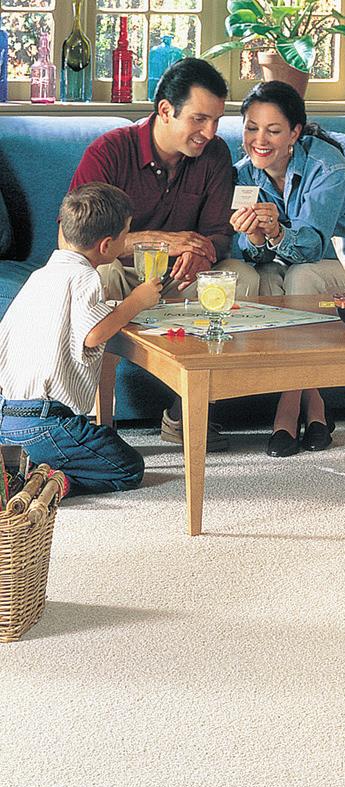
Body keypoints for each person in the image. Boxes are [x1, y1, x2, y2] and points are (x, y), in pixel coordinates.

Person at [68, 57, 258, 452]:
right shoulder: (109, 152)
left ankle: (182, 415)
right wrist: (157, 241)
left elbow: (219, 233)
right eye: (199, 119)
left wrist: (204, 255)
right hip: (120, 274)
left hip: (181, 278)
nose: (210, 132)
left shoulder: (215, 155)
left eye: (216, 120)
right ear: (166, 110)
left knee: (240, 278)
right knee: (98, 278)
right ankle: (102, 424)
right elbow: (73, 242)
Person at [230, 81, 345, 458]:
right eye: (251, 128)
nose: (259, 140)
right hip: (288, 263)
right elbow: (253, 256)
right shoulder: (243, 174)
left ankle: (287, 408)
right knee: (264, 279)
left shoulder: (327, 164)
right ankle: (316, 404)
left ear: (294, 132)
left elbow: (312, 247)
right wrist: (255, 237)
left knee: (300, 276)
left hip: (344, 262)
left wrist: (276, 231)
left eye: (273, 130)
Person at [0, 183, 160, 495]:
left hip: (7, 417)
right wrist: (136, 301)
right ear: (107, 246)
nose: (127, 240)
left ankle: (25, 468)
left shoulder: (40, 277)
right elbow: (94, 333)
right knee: (128, 467)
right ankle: (41, 485)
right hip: (45, 423)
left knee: (95, 439)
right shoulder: (86, 276)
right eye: (126, 234)